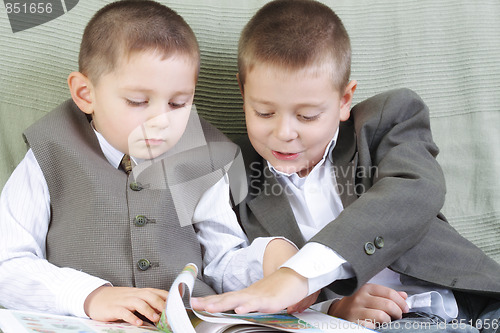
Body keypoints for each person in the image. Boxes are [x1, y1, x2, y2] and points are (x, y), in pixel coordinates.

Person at [191, 1, 500, 332]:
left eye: (308, 116)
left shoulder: (385, 121)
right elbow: (227, 269)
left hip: (469, 300)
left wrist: (300, 275)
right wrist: (332, 305)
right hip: (384, 324)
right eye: (265, 112)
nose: (283, 134)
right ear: (242, 91)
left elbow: (414, 190)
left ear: (343, 100)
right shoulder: (230, 174)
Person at [0, 0, 302, 327]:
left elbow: (220, 264)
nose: (162, 120)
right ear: (86, 93)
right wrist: (90, 296)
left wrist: (268, 257)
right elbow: (7, 262)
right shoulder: (51, 152)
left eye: (178, 102)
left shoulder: (203, 158)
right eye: (138, 101)